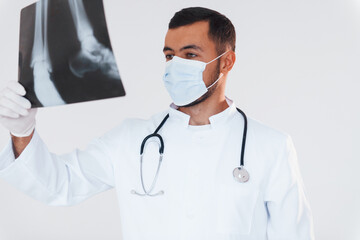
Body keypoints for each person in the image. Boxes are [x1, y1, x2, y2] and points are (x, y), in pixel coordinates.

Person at [0, 7, 315, 240]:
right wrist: (21, 130)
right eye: (169, 55)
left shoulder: (271, 146)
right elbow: (59, 185)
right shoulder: (131, 139)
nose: (175, 66)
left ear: (226, 62)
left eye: (190, 55)